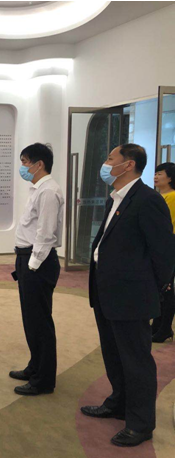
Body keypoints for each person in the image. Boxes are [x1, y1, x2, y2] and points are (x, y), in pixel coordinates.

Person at [80, 144, 175, 447]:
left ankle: (140, 423)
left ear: (128, 165)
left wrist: (152, 290)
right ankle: (118, 402)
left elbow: (164, 253)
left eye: (110, 158)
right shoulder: (116, 198)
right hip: (107, 292)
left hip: (132, 296)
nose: (105, 163)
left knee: (136, 361)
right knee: (113, 354)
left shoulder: (148, 200)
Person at [9, 143, 64, 396]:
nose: (22, 167)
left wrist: (32, 265)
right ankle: (35, 366)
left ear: (39, 164)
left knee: (40, 321)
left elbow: (45, 233)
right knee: (31, 319)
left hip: (37, 262)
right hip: (28, 259)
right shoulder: (38, 189)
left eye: (25, 162)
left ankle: (43, 380)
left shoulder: (48, 191)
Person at [152, 162, 175, 343]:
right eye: (156, 173)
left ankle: (165, 328)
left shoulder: (172, 197)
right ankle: (158, 325)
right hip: (162, 245)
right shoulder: (160, 196)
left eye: (160, 173)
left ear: (170, 178)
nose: (156, 176)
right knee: (161, 287)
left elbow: (168, 226)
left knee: (167, 287)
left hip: (169, 244)